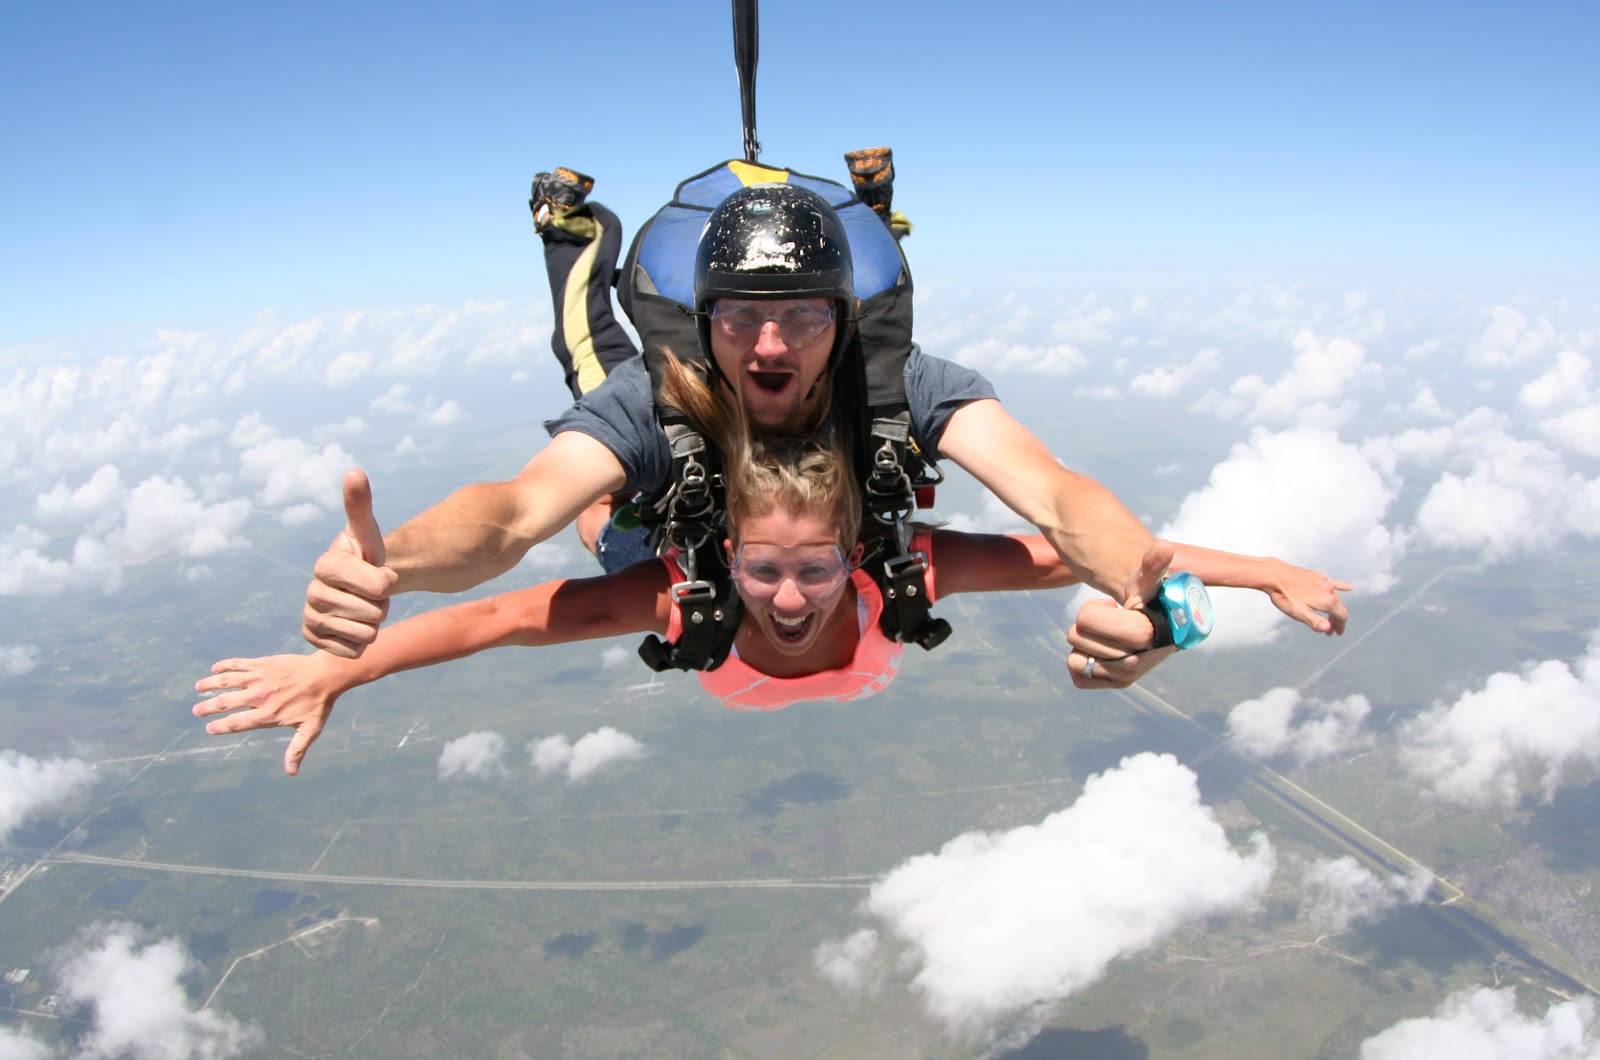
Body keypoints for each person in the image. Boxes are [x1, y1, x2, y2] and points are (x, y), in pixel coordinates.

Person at [200, 354, 1351, 775]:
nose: (793, 597)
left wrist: (1260, 568)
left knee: (625, 509)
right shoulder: (679, 585)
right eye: (763, 571)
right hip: (652, 531)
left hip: (734, 541)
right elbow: (493, 613)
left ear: (856, 548)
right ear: (730, 557)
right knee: (604, 498)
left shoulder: (898, 572)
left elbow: (1068, 556)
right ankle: (583, 296)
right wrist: (348, 647)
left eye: (813, 569)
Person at [297, 166, 1209, 678]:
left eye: (805, 316)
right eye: (739, 316)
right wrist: (396, 563)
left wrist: (1140, 583)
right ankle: (570, 228)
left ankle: (873, 213)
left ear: (845, 323)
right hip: (661, 495)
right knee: (588, 363)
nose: (769, 344)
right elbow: (509, 516)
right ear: (703, 326)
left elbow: (1054, 495)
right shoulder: (653, 401)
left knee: (604, 520)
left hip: (690, 526)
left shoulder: (907, 385)